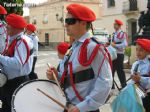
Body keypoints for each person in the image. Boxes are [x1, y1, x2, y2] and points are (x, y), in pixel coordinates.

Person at [47, 4, 112, 112]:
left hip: (84, 109)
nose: (66, 25)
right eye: (65, 21)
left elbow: (105, 83)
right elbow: (72, 77)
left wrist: (81, 107)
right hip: (68, 105)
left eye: (70, 21)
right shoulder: (74, 46)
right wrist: (56, 76)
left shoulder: (94, 47)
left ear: (83, 23)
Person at [0, 13, 33, 112]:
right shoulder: (15, 39)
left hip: (17, 82)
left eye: (8, 24)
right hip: (12, 82)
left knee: (14, 108)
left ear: (15, 27)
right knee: (7, 107)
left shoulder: (21, 41)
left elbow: (18, 64)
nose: (6, 26)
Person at [131, 39, 150, 112]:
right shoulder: (135, 64)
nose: (138, 52)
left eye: (141, 50)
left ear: (148, 51)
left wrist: (140, 79)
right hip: (136, 92)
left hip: (146, 94)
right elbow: (133, 80)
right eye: (137, 50)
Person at [111, 19, 128, 89]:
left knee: (120, 70)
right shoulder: (114, 34)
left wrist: (115, 45)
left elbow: (125, 44)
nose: (114, 25)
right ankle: (111, 86)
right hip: (113, 54)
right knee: (111, 70)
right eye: (114, 24)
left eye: (115, 24)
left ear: (119, 25)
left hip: (119, 54)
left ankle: (124, 85)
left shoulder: (122, 34)